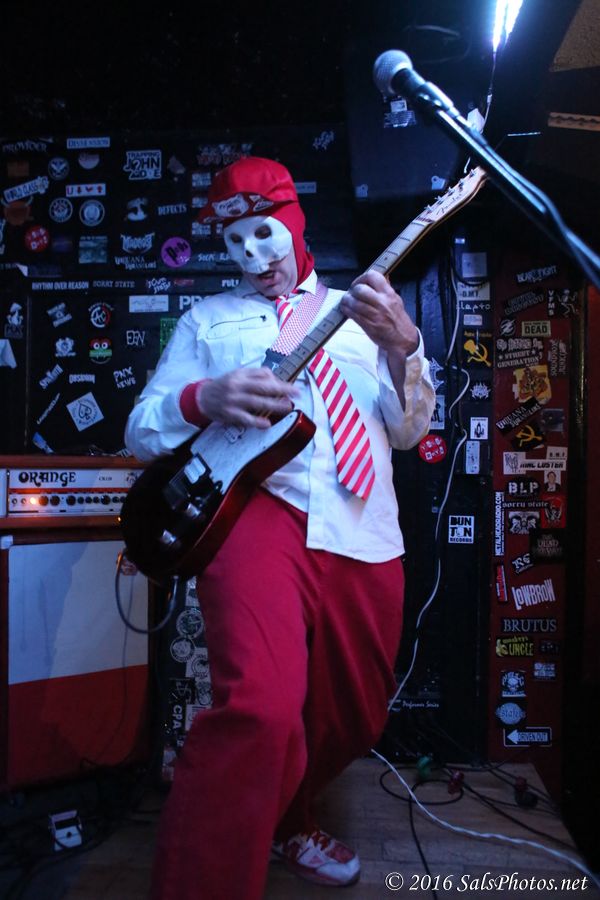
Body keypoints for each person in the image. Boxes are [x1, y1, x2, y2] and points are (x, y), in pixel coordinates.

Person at [125, 156, 435, 900]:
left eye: (264, 235)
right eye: (234, 244)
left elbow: (408, 431)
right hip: (256, 515)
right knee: (259, 710)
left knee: (355, 714)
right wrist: (204, 398)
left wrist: (404, 346)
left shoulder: (365, 318)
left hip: (362, 525)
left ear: (294, 224)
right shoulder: (208, 321)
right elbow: (141, 429)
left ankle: (287, 818)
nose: (253, 257)